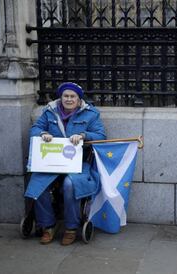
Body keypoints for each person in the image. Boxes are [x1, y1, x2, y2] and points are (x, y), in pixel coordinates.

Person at [25, 82, 106, 245]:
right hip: (52, 162)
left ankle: (71, 227)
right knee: (38, 184)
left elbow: (101, 136)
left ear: (78, 98)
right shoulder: (49, 112)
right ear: (60, 98)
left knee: (70, 185)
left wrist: (84, 135)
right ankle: (48, 226)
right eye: (65, 96)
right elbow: (35, 129)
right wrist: (43, 133)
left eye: (72, 96)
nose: (69, 99)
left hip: (78, 164)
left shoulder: (91, 114)